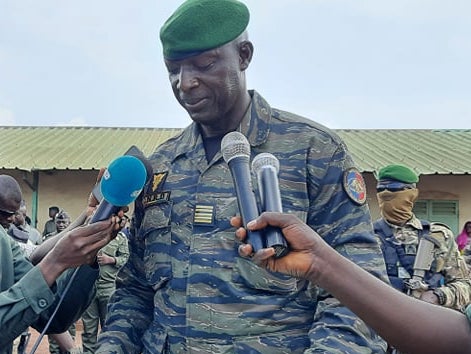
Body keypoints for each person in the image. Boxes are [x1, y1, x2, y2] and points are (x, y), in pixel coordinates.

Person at [97, 1, 389, 352]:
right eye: (173, 69)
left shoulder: (314, 150)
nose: (185, 83)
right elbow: (136, 289)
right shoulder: (161, 166)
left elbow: (357, 291)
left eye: (204, 65)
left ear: (244, 55)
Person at [231, 211, 471, 354]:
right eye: (385, 192)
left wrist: (438, 296)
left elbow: (463, 288)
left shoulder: (435, 235)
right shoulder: (371, 231)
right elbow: (459, 336)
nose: (391, 198)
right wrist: (318, 262)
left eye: (399, 191)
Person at [0, 174, 122, 354]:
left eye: (12, 213)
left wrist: (88, 251)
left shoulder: (5, 242)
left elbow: (53, 315)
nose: (11, 219)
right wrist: (55, 263)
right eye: (6, 213)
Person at [373, 164, 471, 312]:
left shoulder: (438, 235)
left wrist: (437, 296)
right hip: (377, 324)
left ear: (412, 194)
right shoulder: (366, 236)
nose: (386, 193)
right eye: (380, 190)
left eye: (394, 189)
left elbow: (465, 286)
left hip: (427, 323)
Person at [81, 228, 129, 354]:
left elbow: (126, 259)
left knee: (108, 328)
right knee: (89, 331)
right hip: (89, 288)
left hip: (109, 289)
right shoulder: (89, 235)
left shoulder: (120, 238)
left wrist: (111, 260)